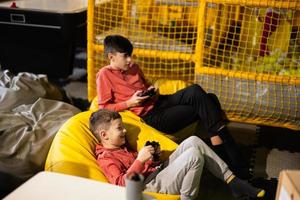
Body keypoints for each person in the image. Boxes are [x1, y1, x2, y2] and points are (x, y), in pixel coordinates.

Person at [96, 34, 248, 178]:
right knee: (209, 102)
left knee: (199, 93)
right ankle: (229, 153)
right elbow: (104, 107)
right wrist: (129, 103)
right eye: (125, 56)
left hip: (159, 102)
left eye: (130, 55)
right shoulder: (104, 75)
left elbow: (147, 85)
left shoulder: (133, 67)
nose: (130, 60)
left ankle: (222, 153)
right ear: (111, 57)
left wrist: (151, 91)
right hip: (148, 117)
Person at [89, 109, 265, 200]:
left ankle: (232, 181)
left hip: (156, 173)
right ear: (104, 135)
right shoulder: (106, 158)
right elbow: (121, 186)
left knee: (193, 141)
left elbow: (144, 165)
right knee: (194, 155)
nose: (125, 130)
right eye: (119, 128)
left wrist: (153, 156)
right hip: (147, 186)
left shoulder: (121, 145)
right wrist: (140, 160)